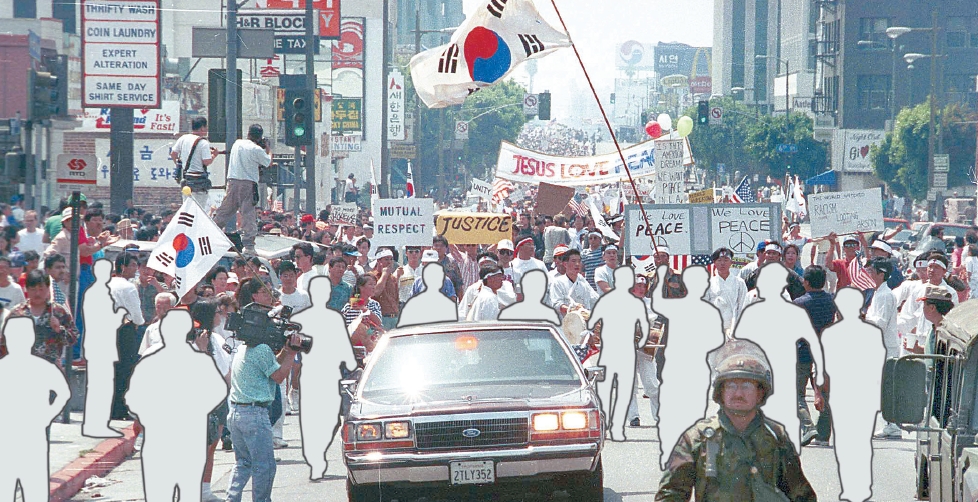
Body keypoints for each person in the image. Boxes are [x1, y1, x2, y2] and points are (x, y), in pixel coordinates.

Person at [655, 339, 817, 502]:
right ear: (721, 391)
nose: (738, 393)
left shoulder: (775, 437)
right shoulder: (698, 438)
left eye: (746, 385)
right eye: (731, 385)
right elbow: (670, 495)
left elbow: (801, 494)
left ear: (760, 393)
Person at [225, 278, 302, 502]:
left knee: (243, 464)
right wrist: (291, 353)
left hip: (237, 414)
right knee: (264, 467)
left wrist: (285, 351)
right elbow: (278, 376)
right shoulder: (261, 350)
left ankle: (232, 499)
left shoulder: (244, 349)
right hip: (255, 416)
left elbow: (270, 365)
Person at [792, 265, 838, 446]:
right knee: (826, 393)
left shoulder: (799, 303)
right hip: (825, 351)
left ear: (807, 282)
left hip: (802, 351)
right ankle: (823, 435)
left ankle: (807, 425)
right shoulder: (831, 300)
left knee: (796, 394)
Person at [212, 124, 272, 255]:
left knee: (225, 210)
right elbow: (268, 162)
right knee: (247, 213)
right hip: (248, 183)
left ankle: (211, 233)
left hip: (232, 182)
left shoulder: (237, 143)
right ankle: (249, 245)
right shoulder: (256, 149)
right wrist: (268, 148)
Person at [4, 270, 78, 371]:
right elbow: (3, 342)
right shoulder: (17, 313)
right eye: (33, 289)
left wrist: (59, 329)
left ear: (48, 289)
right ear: (26, 289)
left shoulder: (58, 312)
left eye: (41, 289)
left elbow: (73, 338)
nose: (37, 293)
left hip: (51, 370)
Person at [171, 117, 218, 209]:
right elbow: (206, 161)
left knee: (187, 207)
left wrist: (178, 164)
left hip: (186, 179)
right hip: (199, 180)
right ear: (202, 128)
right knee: (199, 208)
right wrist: (214, 155)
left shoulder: (183, 138)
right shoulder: (203, 143)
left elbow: (173, 153)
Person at [703, 247, 747, 336]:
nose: (722, 263)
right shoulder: (708, 283)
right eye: (719, 260)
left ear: (731, 262)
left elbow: (743, 305)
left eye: (726, 260)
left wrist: (737, 327)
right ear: (714, 262)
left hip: (734, 326)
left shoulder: (739, 282)